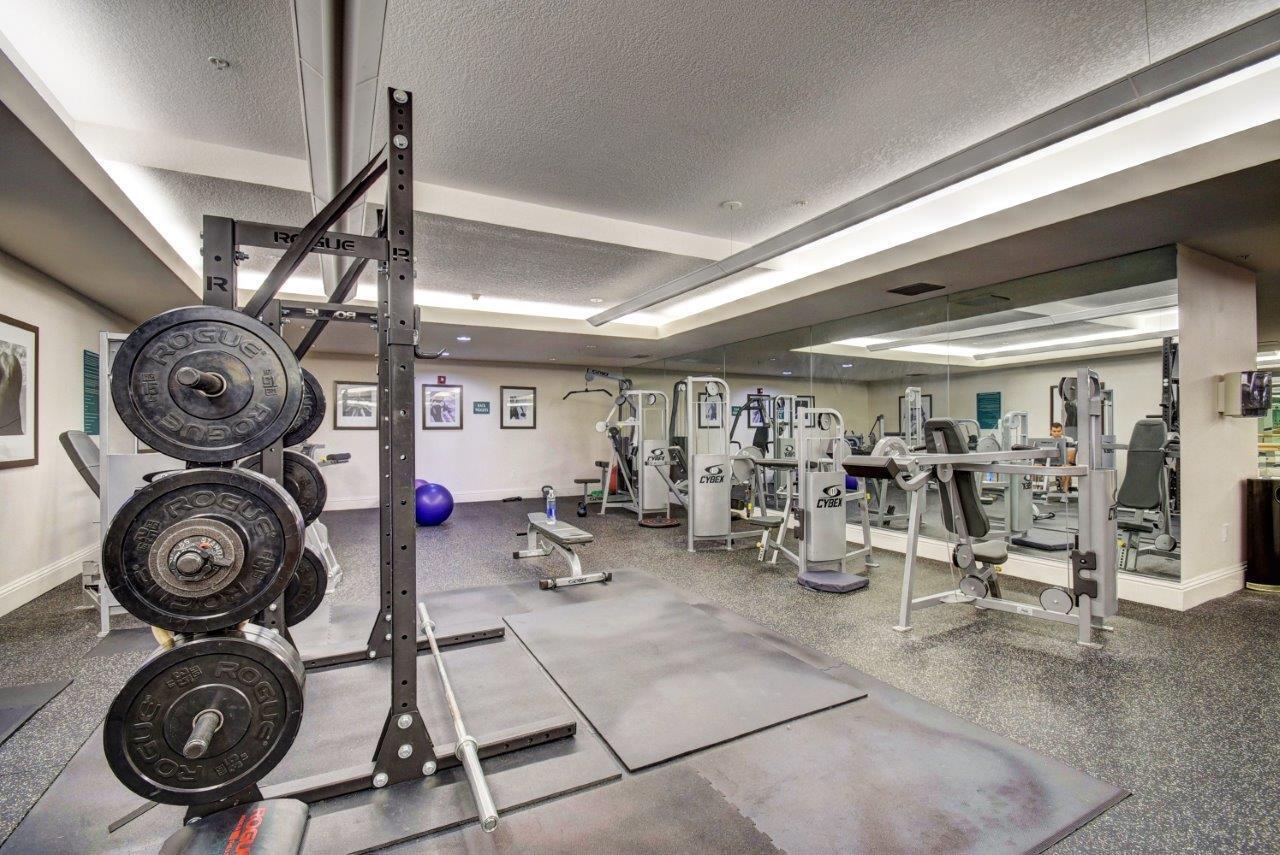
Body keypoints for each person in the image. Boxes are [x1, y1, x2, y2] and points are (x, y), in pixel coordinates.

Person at [1048, 422, 1077, 496]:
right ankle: (1033, 492)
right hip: (1051, 463)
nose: (1056, 433)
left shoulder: (1069, 439)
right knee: (1036, 465)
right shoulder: (1047, 440)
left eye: (1058, 431)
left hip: (1065, 463)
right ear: (1051, 431)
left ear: (1062, 431)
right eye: (1054, 431)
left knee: (1066, 467)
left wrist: (1061, 461)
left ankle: (1065, 491)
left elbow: (1071, 457)